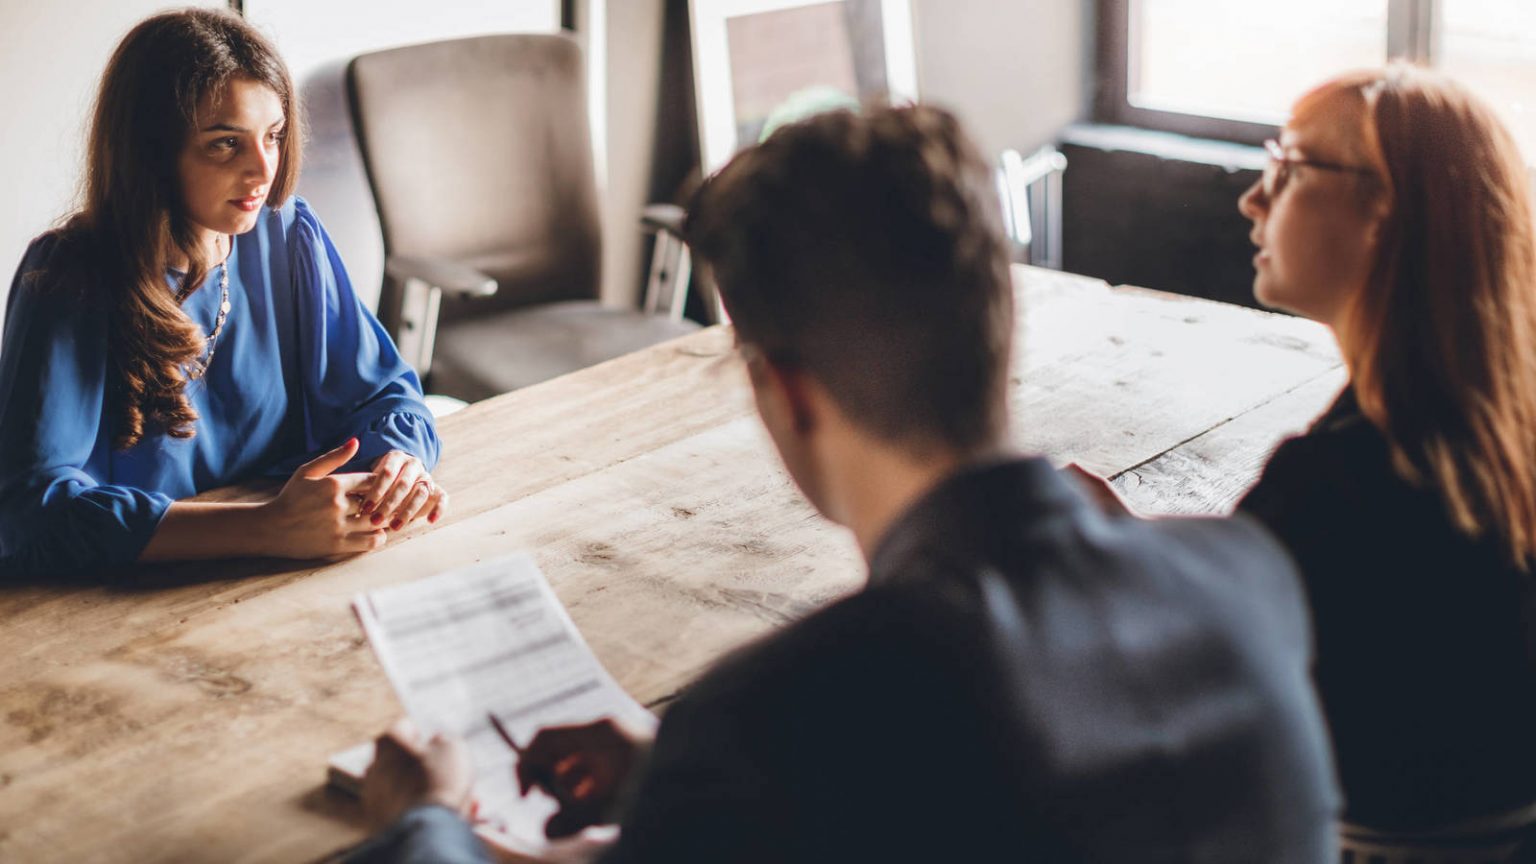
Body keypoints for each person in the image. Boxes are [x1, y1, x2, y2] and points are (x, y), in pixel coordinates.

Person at [351, 104, 1339, 862]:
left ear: (785, 389)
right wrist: (675, 781)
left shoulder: (775, 723)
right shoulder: (1247, 579)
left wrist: (429, 826)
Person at [0, 9, 447, 579]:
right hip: (121, 602)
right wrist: (264, 527)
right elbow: (30, 514)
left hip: (284, 574)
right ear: (152, 152)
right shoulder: (68, 278)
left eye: (274, 136)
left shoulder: (286, 235)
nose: (263, 169)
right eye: (225, 144)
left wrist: (399, 465)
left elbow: (385, 392)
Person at [1234, 66, 1536, 836]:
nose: (1253, 199)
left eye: (1289, 168)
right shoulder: (1495, 443)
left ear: (1386, 214)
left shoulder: (1333, 489)